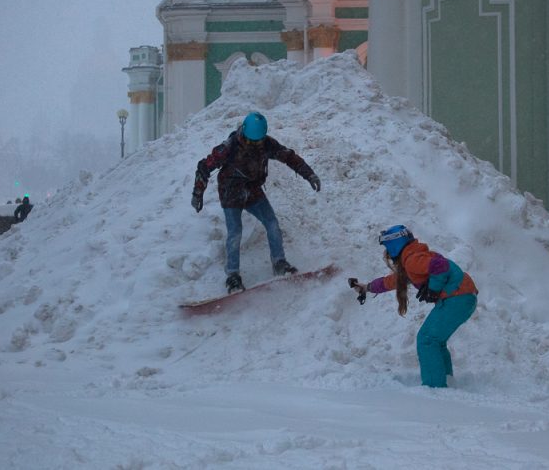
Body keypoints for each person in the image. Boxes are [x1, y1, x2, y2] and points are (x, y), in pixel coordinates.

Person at [191, 111, 321, 293]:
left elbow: (289, 157)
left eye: (257, 141)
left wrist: (309, 174)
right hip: (231, 192)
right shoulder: (229, 147)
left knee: (272, 224)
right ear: (243, 132)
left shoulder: (267, 144)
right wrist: (198, 193)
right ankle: (233, 276)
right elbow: (204, 166)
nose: (253, 145)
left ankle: (279, 263)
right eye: (250, 140)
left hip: (252, 190)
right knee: (235, 231)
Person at [352, 225, 478, 388]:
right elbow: (391, 281)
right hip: (463, 297)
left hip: (457, 297)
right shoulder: (412, 258)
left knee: (427, 339)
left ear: (394, 245)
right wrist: (367, 287)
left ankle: (435, 388)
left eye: (388, 250)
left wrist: (433, 288)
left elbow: (440, 265)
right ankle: (446, 381)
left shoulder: (412, 260)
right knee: (435, 341)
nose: (388, 256)